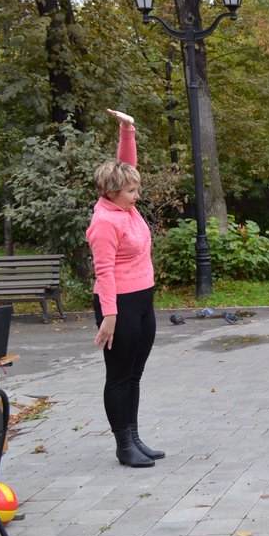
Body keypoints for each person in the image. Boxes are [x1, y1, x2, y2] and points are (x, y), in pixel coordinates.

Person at [87, 109, 164, 468]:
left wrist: (128, 128)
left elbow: (125, 166)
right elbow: (103, 271)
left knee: (136, 372)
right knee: (118, 375)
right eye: (132, 191)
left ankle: (134, 437)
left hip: (142, 298)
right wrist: (110, 316)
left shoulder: (124, 207)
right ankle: (123, 445)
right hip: (118, 303)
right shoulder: (104, 221)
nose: (138, 195)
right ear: (112, 192)